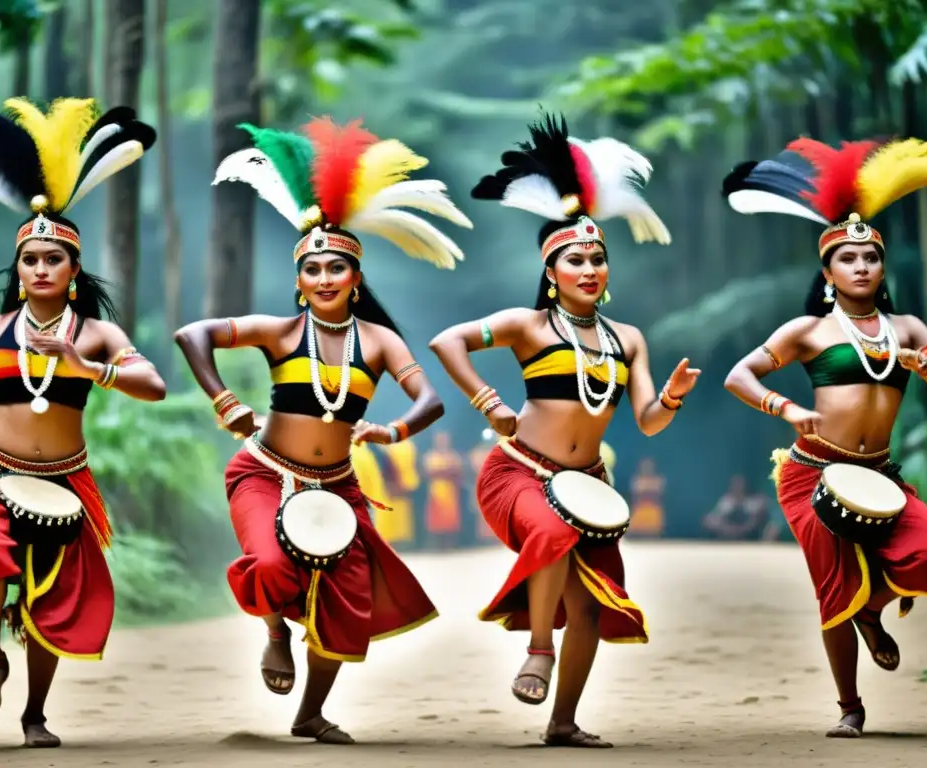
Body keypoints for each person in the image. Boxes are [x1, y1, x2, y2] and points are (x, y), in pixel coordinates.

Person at [174, 117, 472, 744]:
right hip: (264, 473)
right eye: (315, 270)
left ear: (356, 280)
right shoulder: (281, 333)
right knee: (271, 563)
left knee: (350, 598)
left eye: (339, 268)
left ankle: (310, 713)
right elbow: (192, 335)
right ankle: (276, 630)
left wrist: (388, 432)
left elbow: (431, 400)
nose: (327, 278)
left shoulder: (382, 341)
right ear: (300, 281)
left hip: (337, 485)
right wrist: (226, 400)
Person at [429, 111, 699, 748]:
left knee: (592, 607)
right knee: (549, 531)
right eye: (575, 259)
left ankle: (563, 722)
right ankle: (537, 650)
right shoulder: (527, 325)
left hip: (589, 484)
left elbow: (650, 425)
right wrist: (488, 401)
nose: (589, 269)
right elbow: (448, 341)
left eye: (598, 259)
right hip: (520, 473)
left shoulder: (627, 338)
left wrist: (672, 398)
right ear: (552, 271)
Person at [722, 135, 927, 738]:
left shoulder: (908, 327)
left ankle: (872, 612)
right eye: (848, 260)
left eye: (871, 259)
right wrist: (784, 407)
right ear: (828, 271)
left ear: (881, 267)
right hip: (813, 472)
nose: (861, 267)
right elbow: (739, 375)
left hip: (880, 474)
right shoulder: (808, 329)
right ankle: (850, 708)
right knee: (833, 588)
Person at [0, 97, 165, 747]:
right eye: (31, 260)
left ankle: (35, 716)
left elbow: (155, 386)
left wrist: (84, 364)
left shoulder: (98, 333)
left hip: (64, 479)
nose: (41, 268)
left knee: (53, 601)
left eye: (54, 260)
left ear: (73, 272)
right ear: (20, 269)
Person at [422, 430, 464, 549]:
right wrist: (446, 471)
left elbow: (457, 472)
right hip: (435, 491)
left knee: (451, 519)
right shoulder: (430, 455)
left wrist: (441, 472)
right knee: (435, 520)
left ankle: (451, 546)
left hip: (450, 492)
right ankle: (437, 547)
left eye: (444, 440)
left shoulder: (453, 455)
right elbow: (428, 473)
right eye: (439, 440)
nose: (442, 442)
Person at [702, 474, 770, 541]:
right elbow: (712, 518)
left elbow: (756, 521)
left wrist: (741, 529)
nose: (738, 487)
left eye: (740, 484)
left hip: (748, 536)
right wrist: (728, 528)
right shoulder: (726, 501)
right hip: (726, 534)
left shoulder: (753, 502)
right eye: (735, 484)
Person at [628, 457, 666, 537]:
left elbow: (660, 494)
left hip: (653, 513)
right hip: (640, 512)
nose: (647, 469)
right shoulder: (636, 481)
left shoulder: (658, 481)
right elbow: (634, 498)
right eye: (645, 466)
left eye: (649, 466)